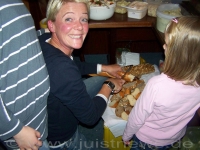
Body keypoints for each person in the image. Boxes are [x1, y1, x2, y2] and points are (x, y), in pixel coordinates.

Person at [38, 0, 125, 149]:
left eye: (83, 19)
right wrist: (109, 85)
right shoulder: (62, 69)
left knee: (100, 77)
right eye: (69, 19)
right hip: (61, 139)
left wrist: (104, 67)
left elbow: (73, 66)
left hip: (50, 115)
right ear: (51, 25)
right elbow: (90, 118)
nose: (79, 26)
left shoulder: (44, 40)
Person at [122, 16, 200, 150]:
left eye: (168, 44)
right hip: (174, 137)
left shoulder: (156, 85)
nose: (163, 46)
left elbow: (137, 117)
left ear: (178, 55)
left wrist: (126, 135)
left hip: (146, 140)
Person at [0, 0, 50, 150]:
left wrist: (41, 33)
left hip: (35, 119)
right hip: (20, 128)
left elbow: (12, 40)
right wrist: (16, 130)